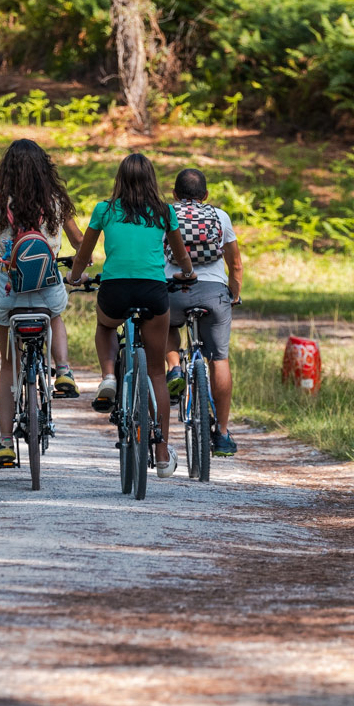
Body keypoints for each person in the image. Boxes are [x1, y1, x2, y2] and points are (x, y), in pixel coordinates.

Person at [66, 152, 197, 475]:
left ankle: (109, 375)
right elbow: (180, 255)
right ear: (152, 180)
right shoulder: (164, 212)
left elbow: (84, 254)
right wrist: (188, 273)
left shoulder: (104, 210)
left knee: (106, 325)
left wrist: (74, 276)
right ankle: (163, 455)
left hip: (116, 290)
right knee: (156, 373)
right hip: (153, 291)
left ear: (119, 180)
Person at [0, 138, 84, 469]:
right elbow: (79, 241)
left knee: (7, 366)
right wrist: (78, 267)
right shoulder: (55, 200)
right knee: (57, 314)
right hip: (46, 287)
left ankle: (4, 442)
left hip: (9, 291)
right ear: (45, 169)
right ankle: (63, 370)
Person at [162, 168, 242, 457]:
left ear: (174, 194)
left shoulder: (164, 214)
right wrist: (234, 293)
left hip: (173, 290)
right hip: (213, 293)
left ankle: (174, 368)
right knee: (219, 358)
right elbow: (236, 265)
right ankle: (221, 434)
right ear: (206, 196)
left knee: (167, 325)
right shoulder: (220, 216)